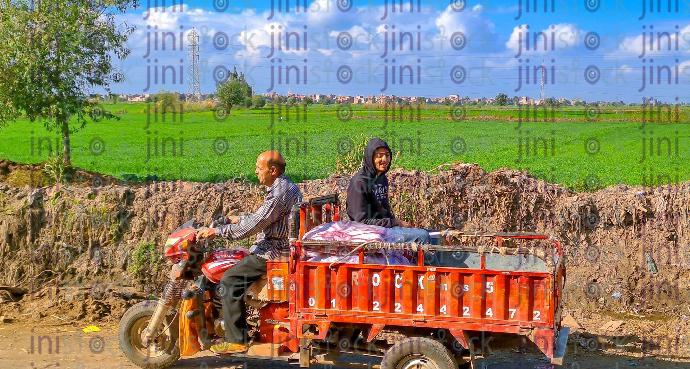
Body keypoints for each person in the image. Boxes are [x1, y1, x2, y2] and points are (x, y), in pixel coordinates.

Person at [196, 151, 302, 354]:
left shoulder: (280, 192)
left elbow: (255, 224)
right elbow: (263, 217)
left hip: (273, 252)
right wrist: (239, 218)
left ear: (273, 170)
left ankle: (237, 339)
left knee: (229, 281)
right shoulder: (284, 186)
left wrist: (217, 231)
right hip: (274, 247)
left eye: (259, 168)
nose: (255, 172)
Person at [346, 138, 430, 244]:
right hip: (368, 232)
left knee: (429, 232)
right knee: (422, 236)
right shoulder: (359, 183)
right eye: (379, 155)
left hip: (384, 228)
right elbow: (361, 222)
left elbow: (384, 211)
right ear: (370, 157)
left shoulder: (382, 178)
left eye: (387, 155)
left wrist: (399, 223)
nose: (384, 159)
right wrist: (394, 222)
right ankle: (429, 261)